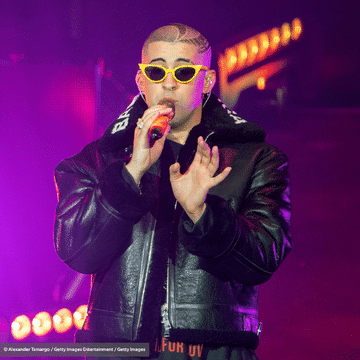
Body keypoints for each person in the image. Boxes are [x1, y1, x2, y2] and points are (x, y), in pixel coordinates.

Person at [54, 23, 291, 360]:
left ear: (207, 81)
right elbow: (78, 253)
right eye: (156, 70)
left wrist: (202, 214)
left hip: (213, 351)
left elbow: (263, 261)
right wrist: (130, 173)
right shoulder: (95, 160)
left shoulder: (257, 159)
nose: (168, 83)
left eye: (183, 71)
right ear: (141, 81)